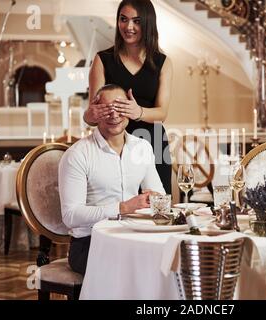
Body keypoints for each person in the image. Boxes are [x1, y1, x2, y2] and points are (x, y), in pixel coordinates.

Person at [59, 84, 165, 276]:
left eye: (120, 107)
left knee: (169, 261)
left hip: (134, 237)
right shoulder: (77, 154)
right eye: (107, 109)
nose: (114, 115)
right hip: (90, 243)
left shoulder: (143, 147)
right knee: (137, 269)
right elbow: (70, 216)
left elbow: (159, 197)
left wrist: (155, 199)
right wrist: (123, 208)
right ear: (95, 111)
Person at [84, 0, 173, 194]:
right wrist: (90, 115)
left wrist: (137, 111)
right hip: (112, 144)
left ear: (147, 23)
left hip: (153, 141)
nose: (128, 27)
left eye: (136, 21)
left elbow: (162, 113)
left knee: (158, 210)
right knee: (119, 208)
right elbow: (90, 117)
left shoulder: (163, 63)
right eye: (123, 19)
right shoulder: (102, 60)